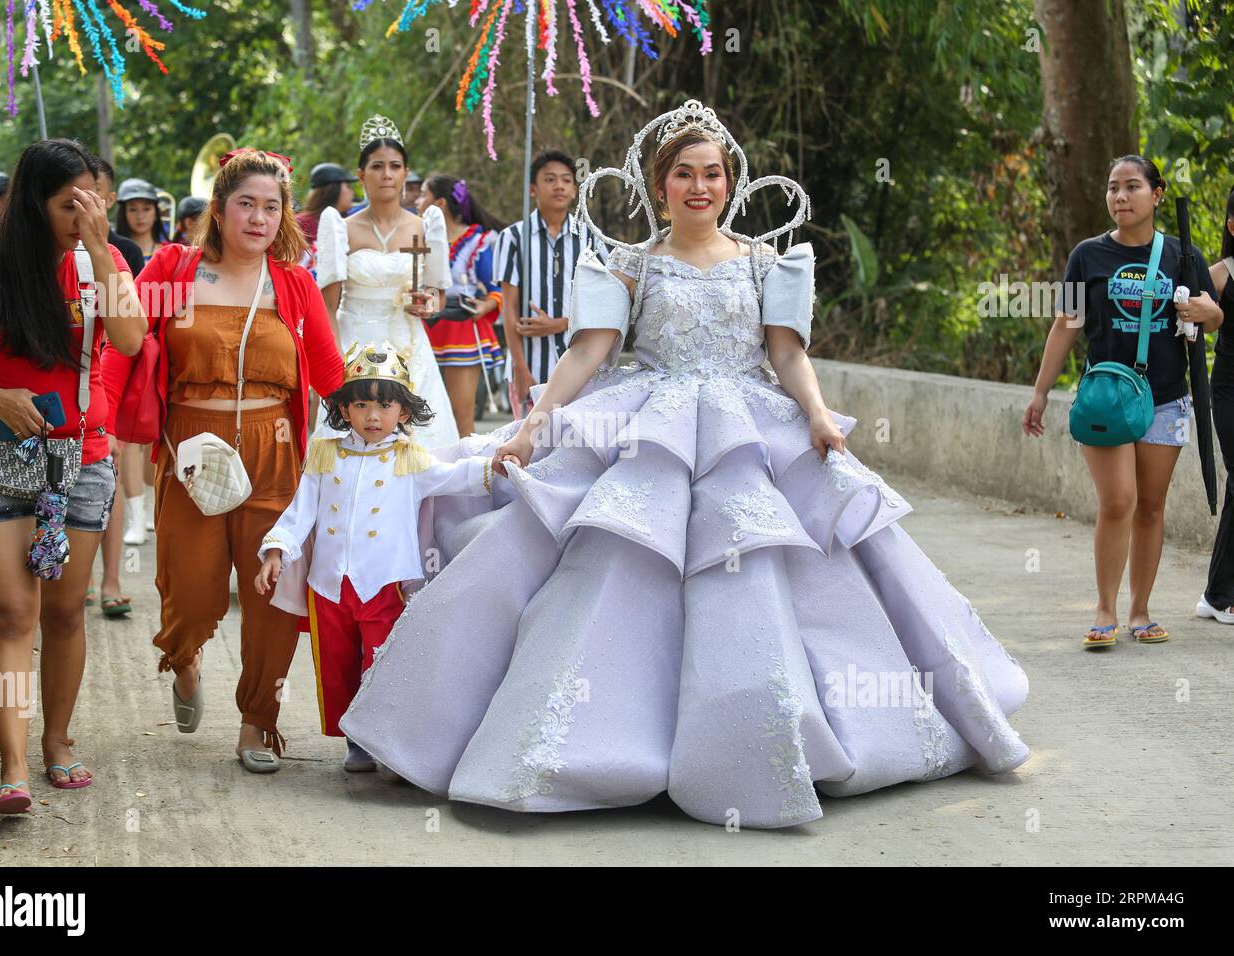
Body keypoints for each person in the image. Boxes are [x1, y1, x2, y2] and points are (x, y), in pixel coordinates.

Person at [339, 100, 1029, 828]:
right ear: (658, 184)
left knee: (780, 567)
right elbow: (586, 352)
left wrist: (820, 416)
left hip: (748, 425)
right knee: (599, 565)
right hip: (651, 423)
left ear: (731, 183)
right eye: (682, 175)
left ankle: (774, 738)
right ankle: (599, 743)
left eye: (713, 174)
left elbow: (787, 352)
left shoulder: (770, 261)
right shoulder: (628, 263)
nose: (699, 187)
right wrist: (531, 428)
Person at [103, 147, 344, 773]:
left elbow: (329, 373)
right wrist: (94, 422)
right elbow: (122, 348)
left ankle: (257, 721)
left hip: (274, 452)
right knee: (189, 590)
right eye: (246, 204)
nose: (259, 218)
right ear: (219, 209)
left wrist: (376, 431)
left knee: (271, 593)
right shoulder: (174, 267)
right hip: (192, 452)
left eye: (272, 206)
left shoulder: (293, 283)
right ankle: (184, 662)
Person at [0, 138, 146, 812]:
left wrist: (102, 248)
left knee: (61, 610)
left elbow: (135, 339)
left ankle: (57, 740)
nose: (83, 212)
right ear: (32, 203)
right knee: (12, 609)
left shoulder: (100, 265)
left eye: (92, 199)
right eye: (67, 204)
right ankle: (15, 766)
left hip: (81, 458)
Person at [255, 343, 494, 772]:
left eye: (384, 405)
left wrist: (495, 467)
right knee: (338, 667)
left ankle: (383, 738)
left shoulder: (411, 459)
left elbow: (457, 477)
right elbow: (300, 513)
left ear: (403, 412)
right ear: (344, 409)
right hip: (328, 584)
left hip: (384, 584)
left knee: (380, 662)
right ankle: (355, 740)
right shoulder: (325, 454)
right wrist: (277, 549)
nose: (372, 415)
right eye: (360, 404)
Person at [1025, 155, 1222, 648]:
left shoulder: (1183, 255)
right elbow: (1066, 323)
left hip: (1167, 399)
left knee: (1151, 507)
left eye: (1132, 187)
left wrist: (1207, 311)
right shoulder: (1088, 255)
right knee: (1118, 501)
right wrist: (1040, 391)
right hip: (1107, 397)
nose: (1120, 196)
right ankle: (1104, 609)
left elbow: (1211, 316)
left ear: (1156, 195)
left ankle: (1140, 611)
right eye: (1113, 188)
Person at [314, 114, 459, 450]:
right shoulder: (342, 228)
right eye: (377, 166)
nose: (387, 174)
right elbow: (327, 308)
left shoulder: (425, 226)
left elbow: (437, 295)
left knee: (419, 445)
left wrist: (428, 305)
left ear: (406, 174)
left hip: (410, 344)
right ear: (362, 174)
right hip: (355, 343)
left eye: (395, 166)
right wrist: (336, 368)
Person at [495, 149, 606, 416]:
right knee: (529, 447)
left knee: (576, 448)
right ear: (533, 189)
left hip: (582, 368)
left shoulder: (591, 238)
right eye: (550, 179)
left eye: (566, 180)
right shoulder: (512, 238)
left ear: (575, 190)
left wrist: (560, 324)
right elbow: (509, 308)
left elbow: (606, 303)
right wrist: (520, 369)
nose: (559, 186)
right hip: (530, 367)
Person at [88, 157, 145, 618]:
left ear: (108, 199)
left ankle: (110, 580)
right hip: (64, 388)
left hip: (112, 373)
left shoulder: (121, 251)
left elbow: (132, 334)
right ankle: (75, 578)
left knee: (105, 480)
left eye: (95, 194)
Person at [417, 175, 505, 437]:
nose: (417, 200)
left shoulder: (477, 241)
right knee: (419, 412)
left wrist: (483, 307)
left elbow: (496, 289)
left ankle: (465, 473)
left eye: (423, 194)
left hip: (460, 329)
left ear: (439, 203)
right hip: (420, 326)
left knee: (461, 416)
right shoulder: (414, 234)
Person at [114, 176, 170, 544]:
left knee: (156, 431)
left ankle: (150, 507)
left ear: (156, 211)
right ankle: (134, 515)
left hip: (162, 347)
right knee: (127, 435)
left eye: (145, 207)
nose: (139, 215)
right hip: (127, 346)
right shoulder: (112, 251)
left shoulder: (172, 251)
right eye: (132, 208)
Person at [1197, 186, 1234, 623]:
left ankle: (1214, 593)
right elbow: (1191, 320)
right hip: (1228, 390)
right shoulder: (1221, 273)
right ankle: (1219, 595)